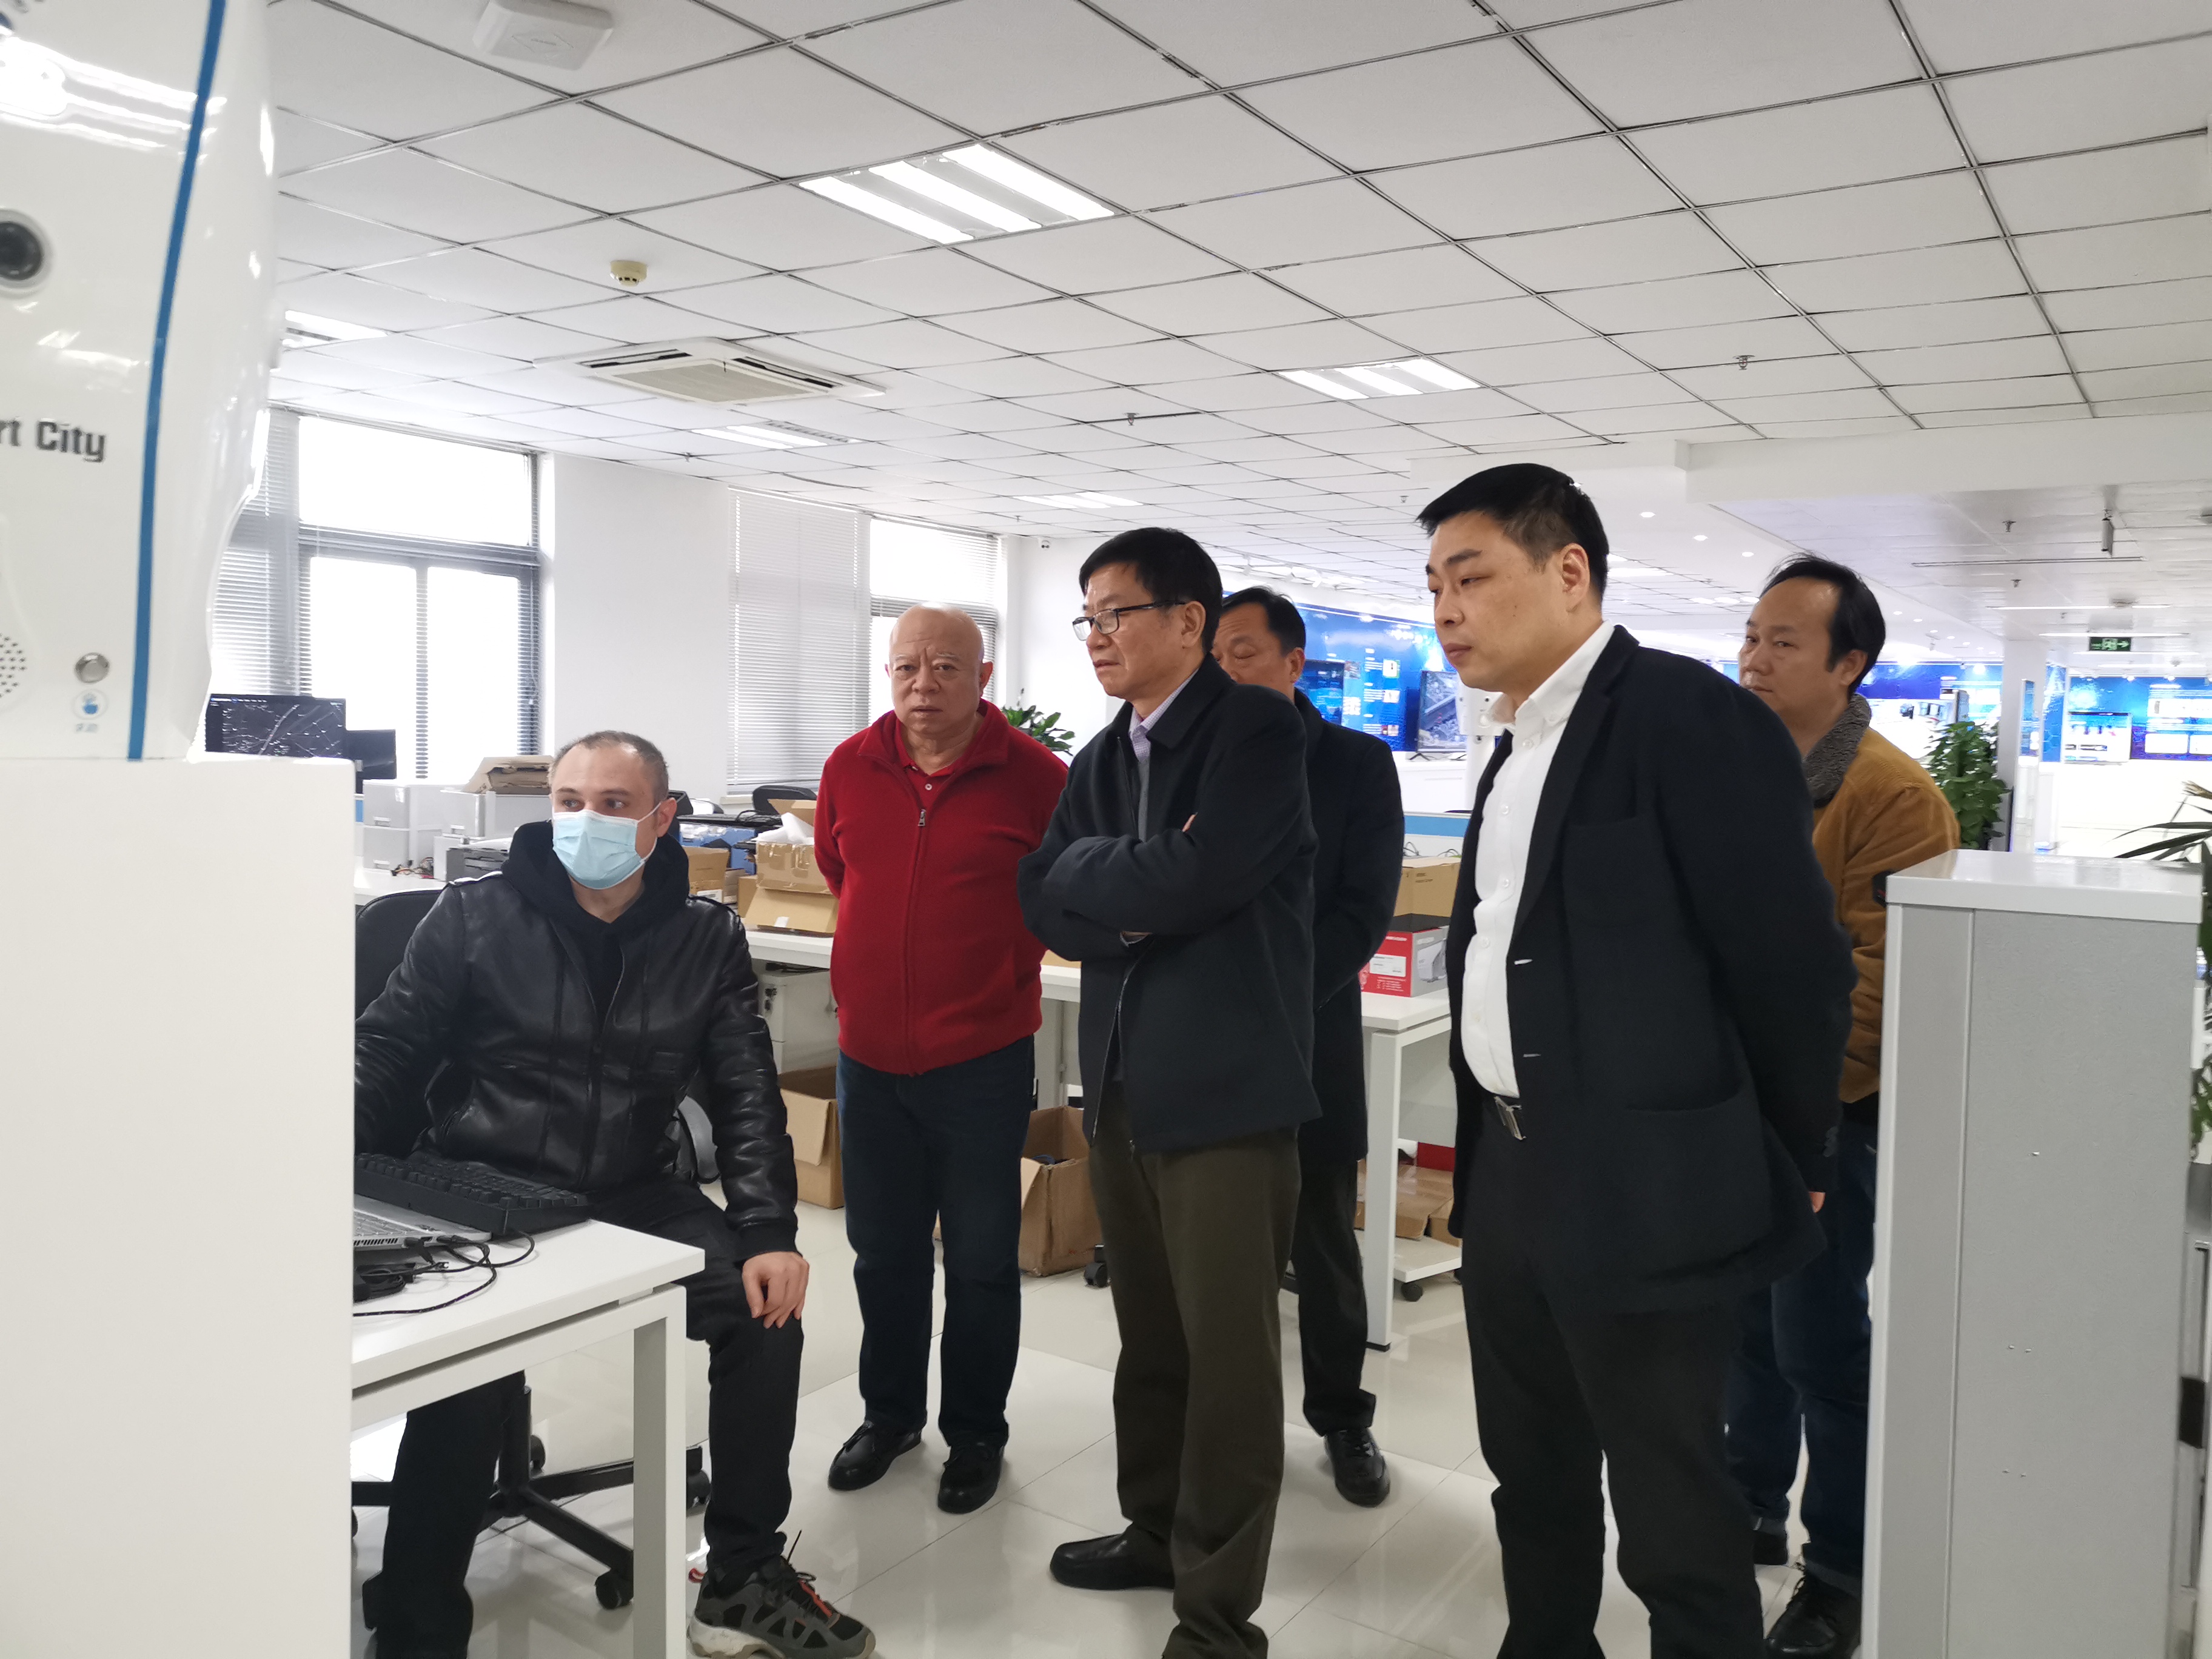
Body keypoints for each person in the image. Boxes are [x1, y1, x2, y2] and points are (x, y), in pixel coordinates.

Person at [1423, 464, 1855, 1659]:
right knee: (1531, 1469)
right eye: (1434, 586)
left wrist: (1796, 1151)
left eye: (1471, 578)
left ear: (1570, 572)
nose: (1447, 610)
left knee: (1671, 1502)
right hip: (1511, 1172)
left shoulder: (1689, 721)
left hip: (1648, 1184)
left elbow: (1791, 965)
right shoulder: (1511, 744)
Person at [355, 731, 873, 1659]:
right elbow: (384, 1052)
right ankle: (418, 1627)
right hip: (485, 1185)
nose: (585, 821)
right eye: (569, 802)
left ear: (662, 818)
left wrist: (768, 1230)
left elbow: (745, 1091)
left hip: (633, 1190)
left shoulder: (705, 936)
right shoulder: (472, 916)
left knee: (764, 1312)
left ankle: (743, 1576)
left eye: (613, 804)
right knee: (468, 1375)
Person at [1016, 528, 1317, 1659]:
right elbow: (1041, 896)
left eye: (1117, 614)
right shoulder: (1104, 756)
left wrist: (1121, 891)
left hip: (1226, 1094)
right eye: (1086, 619)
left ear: (1189, 620)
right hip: (1122, 1086)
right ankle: (1154, 1531)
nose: (1096, 637)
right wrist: (1134, 895)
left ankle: (1219, 1614)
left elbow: (1208, 873)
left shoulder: (1256, 732)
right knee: (1149, 1338)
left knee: (1230, 1362)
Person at [1729, 557, 1958, 1658]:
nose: (1754, 659)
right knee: (1744, 1325)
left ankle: (1841, 1578)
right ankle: (1749, 1507)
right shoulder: (1739, 768)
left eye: (1784, 643)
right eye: (1751, 636)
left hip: (1828, 1116)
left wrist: (1801, 1114)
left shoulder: (1892, 796)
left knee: (1818, 1342)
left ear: (1849, 664)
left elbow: (1881, 981)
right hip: (1730, 1105)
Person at [812, 604, 1068, 1513]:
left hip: (982, 1060)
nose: (924, 685)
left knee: (983, 1259)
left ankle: (976, 1432)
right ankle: (889, 1417)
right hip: (870, 1060)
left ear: (984, 676)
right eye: (907, 667)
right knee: (882, 1254)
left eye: (947, 668)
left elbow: (1057, 895)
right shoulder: (849, 766)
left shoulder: (1038, 777)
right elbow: (841, 874)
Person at [1213, 586, 1402, 1507]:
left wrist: (1270, 993)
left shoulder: (1357, 764)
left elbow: (1363, 911)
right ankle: (1225, 1427)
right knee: (1216, 1247)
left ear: (1293, 664)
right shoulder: (1191, 757)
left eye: (1243, 653)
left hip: (1307, 1034)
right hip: (1206, 1046)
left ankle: (1342, 1419)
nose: (1224, 671)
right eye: (1213, 655)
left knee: (1322, 1242)